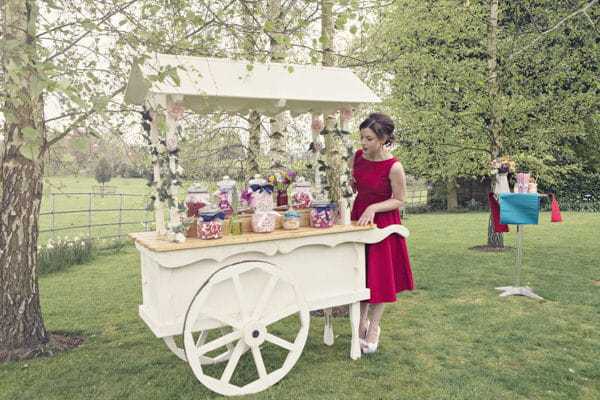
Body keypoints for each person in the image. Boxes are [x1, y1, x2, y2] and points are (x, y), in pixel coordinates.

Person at [349, 112, 414, 354]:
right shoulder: (356, 157)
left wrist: (374, 207)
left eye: (369, 139)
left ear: (384, 139)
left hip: (384, 223)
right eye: (362, 137)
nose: (364, 144)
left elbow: (400, 199)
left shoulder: (394, 166)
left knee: (381, 278)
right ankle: (359, 326)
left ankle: (374, 327)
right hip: (359, 219)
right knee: (360, 275)